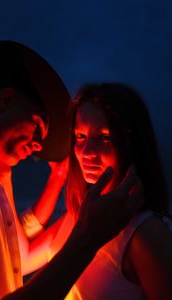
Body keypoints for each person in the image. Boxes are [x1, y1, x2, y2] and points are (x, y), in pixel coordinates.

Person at [0, 41, 143, 300]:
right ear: (6, 101)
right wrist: (86, 240)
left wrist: (56, 178)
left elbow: (18, 256)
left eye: (103, 138)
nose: (40, 144)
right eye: (38, 126)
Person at [24, 82, 172, 299]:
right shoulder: (79, 215)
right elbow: (23, 258)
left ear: (131, 143)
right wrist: (5, 167)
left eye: (103, 138)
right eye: (80, 137)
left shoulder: (145, 232)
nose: (87, 152)